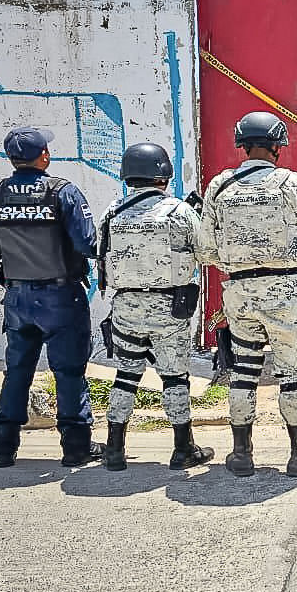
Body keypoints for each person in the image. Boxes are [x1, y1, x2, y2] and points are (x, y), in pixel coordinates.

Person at [198, 111, 297, 477]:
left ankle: (241, 454)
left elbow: (206, 250)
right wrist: (289, 255)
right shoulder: (294, 184)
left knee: (243, 370)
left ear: (242, 145)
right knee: (292, 373)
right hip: (285, 289)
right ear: (277, 146)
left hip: (238, 291)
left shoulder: (220, 186)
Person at [0, 125, 103, 468]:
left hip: (17, 299)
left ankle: (3, 448)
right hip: (61, 298)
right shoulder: (63, 193)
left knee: (17, 371)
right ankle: (75, 447)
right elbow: (88, 244)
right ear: (44, 156)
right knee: (69, 372)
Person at [97, 143, 213, 472]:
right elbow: (206, 253)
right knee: (175, 378)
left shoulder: (112, 212)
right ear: (163, 174)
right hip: (169, 308)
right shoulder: (178, 211)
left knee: (126, 376)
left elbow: (99, 256)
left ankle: (115, 449)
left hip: (125, 307)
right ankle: (182, 448)